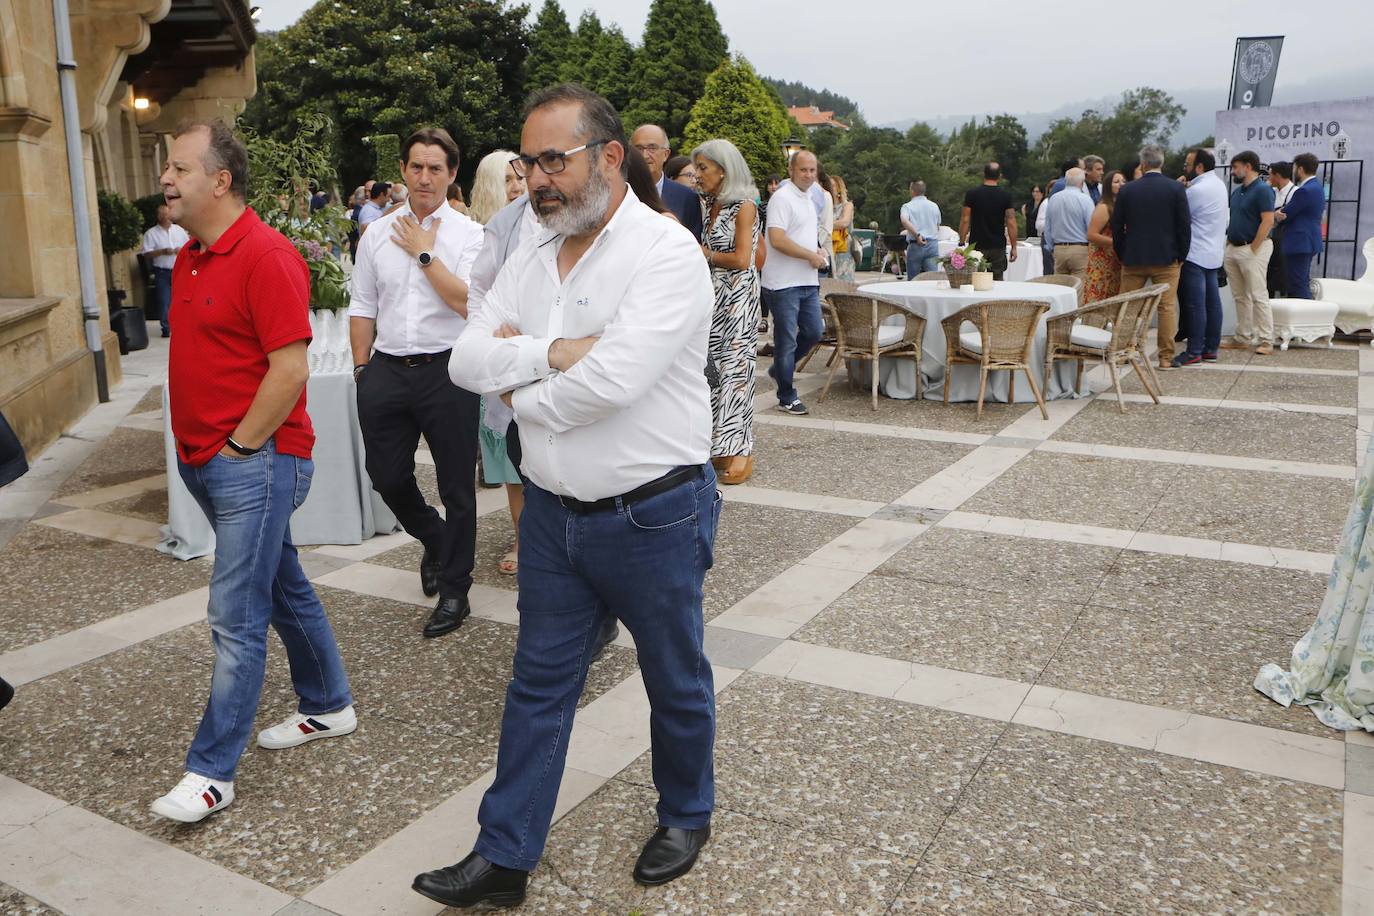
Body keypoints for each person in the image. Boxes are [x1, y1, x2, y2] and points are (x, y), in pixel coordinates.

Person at [421, 83, 720, 909]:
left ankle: (687, 813)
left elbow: (617, 381)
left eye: (554, 159)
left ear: (609, 157)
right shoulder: (529, 251)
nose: (539, 179)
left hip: (653, 514)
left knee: (674, 676)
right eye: (529, 163)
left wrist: (522, 386)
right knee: (538, 683)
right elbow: (465, 358)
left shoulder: (664, 252)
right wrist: (557, 354)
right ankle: (504, 857)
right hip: (552, 517)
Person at [150, 120, 354, 823]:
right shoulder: (192, 256)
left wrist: (238, 450)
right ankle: (329, 704)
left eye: (179, 167)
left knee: (234, 616)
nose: (166, 179)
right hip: (208, 462)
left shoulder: (266, 255)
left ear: (220, 179)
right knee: (283, 587)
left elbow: (291, 368)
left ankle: (212, 773)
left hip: (256, 464)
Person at [349, 127, 486, 639]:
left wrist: (427, 253)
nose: (424, 177)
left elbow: (467, 303)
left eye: (435, 168)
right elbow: (363, 305)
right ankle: (435, 537)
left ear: (452, 175)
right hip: (386, 368)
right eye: (416, 167)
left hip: (448, 369)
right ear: (403, 172)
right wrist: (363, 370)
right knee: (386, 476)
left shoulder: (470, 236)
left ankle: (456, 590)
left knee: (457, 487)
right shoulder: (376, 234)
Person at [467, 149, 527, 576]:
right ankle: (523, 536)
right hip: (498, 350)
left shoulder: (540, 221)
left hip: (537, 348)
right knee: (509, 459)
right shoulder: (484, 232)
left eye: (520, 177)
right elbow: (475, 293)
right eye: (506, 180)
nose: (517, 186)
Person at [694, 138, 760, 485]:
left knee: (737, 371)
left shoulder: (745, 206)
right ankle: (719, 444)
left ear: (724, 169)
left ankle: (741, 450)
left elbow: (742, 258)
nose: (697, 175)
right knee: (712, 370)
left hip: (738, 300)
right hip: (713, 295)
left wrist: (702, 253)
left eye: (703, 168)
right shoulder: (710, 204)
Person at [1110, 144, 1190, 370]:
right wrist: (1181, 254)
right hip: (1167, 257)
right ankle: (1165, 357)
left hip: (1134, 257)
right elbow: (1184, 225)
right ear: (1161, 163)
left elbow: (1117, 227)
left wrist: (1122, 252)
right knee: (1166, 308)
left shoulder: (1128, 190)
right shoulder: (1175, 189)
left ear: (1143, 164)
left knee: (1128, 307)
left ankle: (1123, 352)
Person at [762, 150, 826, 416]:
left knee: (814, 332)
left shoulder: (810, 198)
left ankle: (779, 370)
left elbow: (805, 235)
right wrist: (811, 255)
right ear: (791, 170)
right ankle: (786, 395)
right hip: (782, 282)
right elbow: (777, 239)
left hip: (807, 280)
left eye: (812, 170)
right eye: (803, 170)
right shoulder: (782, 198)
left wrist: (819, 250)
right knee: (786, 340)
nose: (809, 175)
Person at [1174, 148, 1229, 367]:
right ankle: (1210, 349)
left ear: (1199, 167)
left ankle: (1194, 350)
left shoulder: (1196, 191)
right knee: (1212, 303)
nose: (1185, 169)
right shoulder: (1217, 185)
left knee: (1195, 305)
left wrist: (1178, 188)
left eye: (1187, 165)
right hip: (1213, 252)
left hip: (1195, 253)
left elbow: (1178, 214)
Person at [1219, 150, 1277, 356]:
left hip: (1253, 248)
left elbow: (1268, 220)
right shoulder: (1237, 192)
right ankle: (1242, 336)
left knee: (1258, 294)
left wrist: (1254, 248)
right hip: (1234, 247)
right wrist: (1229, 246)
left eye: (1236, 167)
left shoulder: (1262, 190)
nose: (1233, 171)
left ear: (1248, 166)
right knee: (1240, 296)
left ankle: (1265, 339)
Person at [630, 123, 702, 239]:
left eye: (652, 148)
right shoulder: (619, 192)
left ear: (666, 154)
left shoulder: (687, 198)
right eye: (638, 149)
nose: (644, 155)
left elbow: (692, 243)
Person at [1277, 153, 1324, 300]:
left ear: (1301, 169)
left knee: (1298, 284)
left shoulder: (1304, 191)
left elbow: (1287, 213)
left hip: (1300, 243)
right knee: (1301, 282)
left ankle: (1308, 319)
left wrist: (1276, 214)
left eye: (1296, 168)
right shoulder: (1316, 187)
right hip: (1307, 242)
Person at [959, 162, 1017, 279]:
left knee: (975, 279)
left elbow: (965, 219)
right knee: (997, 280)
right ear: (1000, 176)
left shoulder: (972, 194)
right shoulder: (1005, 195)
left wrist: (961, 240)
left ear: (983, 174)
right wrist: (1014, 246)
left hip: (977, 244)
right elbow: (1011, 222)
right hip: (997, 245)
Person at [140, 203, 190, 338]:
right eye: (163, 215)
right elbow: (146, 254)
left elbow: (189, 247)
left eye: (168, 214)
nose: (166, 217)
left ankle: (182, 326)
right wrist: (162, 251)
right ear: (158, 216)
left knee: (182, 300)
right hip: (162, 272)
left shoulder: (180, 230)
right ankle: (166, 329)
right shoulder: (151, 233)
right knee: (164, 301)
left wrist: (181, 251)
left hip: (180, 270)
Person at [1044, 167, 1094, 283]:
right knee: (1079, 287)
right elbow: (1090, 226)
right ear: (1082, 182)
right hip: (1080, 248)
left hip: (1059, 248)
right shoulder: (1085, 200)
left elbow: (1048, 228)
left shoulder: (1053, 199)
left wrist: (1052, 247)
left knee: (1060, 286)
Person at [1085, 170, 1125, 303]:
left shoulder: (1121, 205)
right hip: (1101, 262)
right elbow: (1091, 234)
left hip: (1116, 260)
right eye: (1116, 182)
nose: (1121, 184)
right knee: (1098, 296)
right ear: (1108, 185)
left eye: (1123, 181)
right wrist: (1116, 242)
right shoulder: (1104, 207)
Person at [900, 180, 941, 279]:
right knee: (932, 279)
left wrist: (917, 235)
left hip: (916, 244)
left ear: (912, 191)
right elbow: (938, 225)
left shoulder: (907, 206)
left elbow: (904, 221)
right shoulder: (934, 206)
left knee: (913, 279)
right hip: (932, 244)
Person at [1266, 161, 1295, 297]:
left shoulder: (1295, 192)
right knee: (1268, 276)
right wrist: (1274, 214)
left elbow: (1288, 215)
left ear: (1277, 176)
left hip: (1286, 239)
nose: (1268, 178)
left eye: (1270, 175)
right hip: (1269, 238)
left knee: (1284, 276)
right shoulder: (1270, 191)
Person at [828, 175, 855, 282]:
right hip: (828, 247)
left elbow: (844, 222)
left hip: (843, 250)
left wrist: (826, 225)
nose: (830, 188)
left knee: (844, 281)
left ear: (839, 188)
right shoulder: (824, 206)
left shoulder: (847, 205)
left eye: (833, 186)